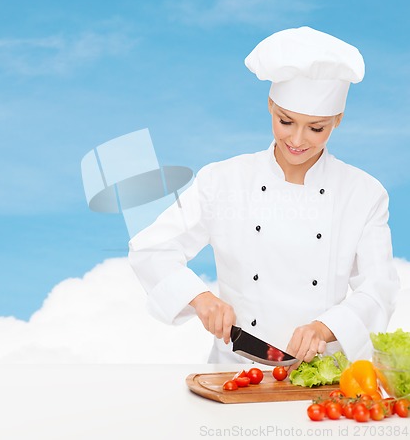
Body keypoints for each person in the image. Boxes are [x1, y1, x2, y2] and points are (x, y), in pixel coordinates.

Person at [128, 26, 400, 367]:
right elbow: (151, 248)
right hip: (235, 370)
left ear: (337, 121)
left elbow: (380, 287)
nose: (298, 139)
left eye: (316, 128)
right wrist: (199, 298)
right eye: (286, 121)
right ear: (271, 106)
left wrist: (326, 327)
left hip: (321, 374)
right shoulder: (223, 181)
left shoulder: (363, 194)